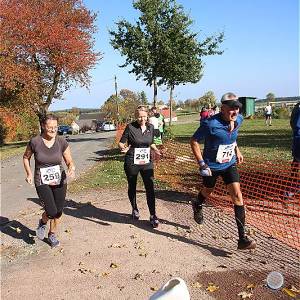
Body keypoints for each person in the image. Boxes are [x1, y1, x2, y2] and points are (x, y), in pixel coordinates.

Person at [190, 92, 256, 250]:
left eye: (238, 109)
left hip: (229, 164)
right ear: (223, 108)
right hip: (211, 166)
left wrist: (237, 150)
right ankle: (197, 203)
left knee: (237, 196)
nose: (235, 112)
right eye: (232, 109)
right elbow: (193, 141)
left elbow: (232, 137)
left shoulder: (238, 119)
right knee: (208, 190)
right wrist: (201, 163)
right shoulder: (210, 124)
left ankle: (242, 239)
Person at [23, 114, 75, 247]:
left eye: (55, 127)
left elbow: (69, 160)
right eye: (50, 127)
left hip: (59, 180)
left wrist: (71, 167)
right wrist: (29, 173)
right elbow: (26, 157)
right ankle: (43, 221)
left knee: (58, 211)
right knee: (51, 211)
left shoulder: (61, 141)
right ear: (43, 126)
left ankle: (52, 234)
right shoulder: (35, 142)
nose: (53, 130)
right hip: (42, 181)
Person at [119, 106, 161, 228]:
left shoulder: (151, 127)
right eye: (139, 116)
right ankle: (135, 208)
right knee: (132, 185)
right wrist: (123, 147)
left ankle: (153, 215)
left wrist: (156, 150)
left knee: (150, 187)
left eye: (144, 116)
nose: (142, 119)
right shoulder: (130, 127)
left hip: (146, 161)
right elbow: (121, 142)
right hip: (132, 160)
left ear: (147, 116)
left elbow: (151, 142)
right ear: (135, 116)